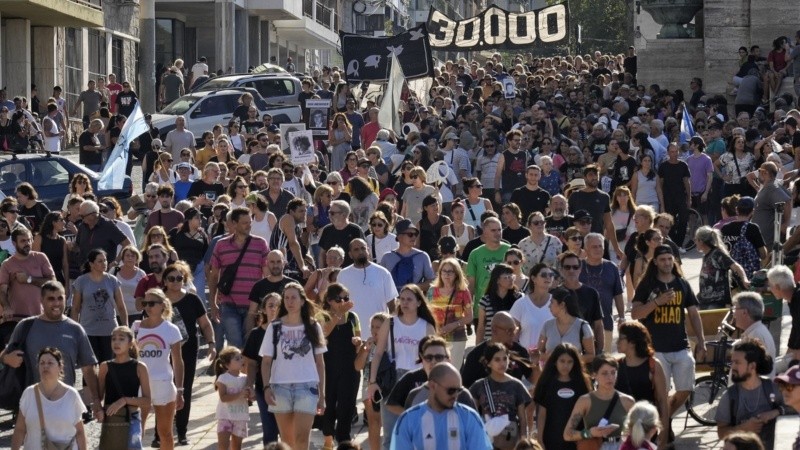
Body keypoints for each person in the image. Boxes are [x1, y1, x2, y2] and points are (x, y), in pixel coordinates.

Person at [631, 244, 706, 419]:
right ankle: (664, 427)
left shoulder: (682, 283)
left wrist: (701, 342)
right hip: (656, 349)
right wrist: (657, 302)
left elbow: (694, 314)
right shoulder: (647, 284)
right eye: (662, 259)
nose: (667, 263)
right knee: (660, 393)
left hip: (680, 346)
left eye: (669, 259)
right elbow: (636, 314)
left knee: (686, 388)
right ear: (655, 262)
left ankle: (664, 419)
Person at [367, 284, 438, 450]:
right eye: (402, 299)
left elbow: (434, 359)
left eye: (409, 299)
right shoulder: (390, 323)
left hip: (418, 380)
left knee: (418, 432)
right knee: (391, 434)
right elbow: (378, 354)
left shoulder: (426, 327)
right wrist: (372, 382)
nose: (404, 303)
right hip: (393, 381)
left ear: (419, 302)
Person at [259, 283, 327, 450]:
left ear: (303, 301)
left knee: (302, 439)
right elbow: (266, 361)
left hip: (307, 385)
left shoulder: (313, 326)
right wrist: (266, 387)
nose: (290, 301)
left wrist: (322, 395)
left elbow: (320, 362)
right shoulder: (274, 327)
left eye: (294, 297)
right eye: (286, 298)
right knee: (287, 441)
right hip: (279, 387)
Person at [162, 262, 217, 445]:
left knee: (183, 387)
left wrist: (211, 343)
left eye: (179, 278)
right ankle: (161, 431)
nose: (176, 282)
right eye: (172, 278)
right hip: (163, 350)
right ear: (165, 281)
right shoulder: (159, 300)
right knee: (163, 388)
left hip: (189, 348)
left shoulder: (193, 299)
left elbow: (205, 324)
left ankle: (182, 431)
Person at [391, 362, 491, 450]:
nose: (455, 395)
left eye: (459, 390)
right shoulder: (408, 419)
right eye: (451, 391)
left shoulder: (469, 417)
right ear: (432, 386)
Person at [209, 207, 270, 349]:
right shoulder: (221, 245)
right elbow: (213, 276)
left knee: (249, 345)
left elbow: (266, 274)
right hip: (229, 303)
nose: (249, 225)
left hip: (253, 305)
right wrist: (212, 303)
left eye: (250, 222)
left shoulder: (260, 244)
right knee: (235, 345)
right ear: (234, 224)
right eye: (244, 223)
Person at [134, 288, 184, 450]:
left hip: (163, 385)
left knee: (165, 433)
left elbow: (178, 361)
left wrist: (180, 389)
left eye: (152, 303)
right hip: (140, 385)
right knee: (135, 432)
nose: (147, 306)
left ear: (163, 305)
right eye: (145, 303)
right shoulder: (135, 327)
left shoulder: (171, 329)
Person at [10, 347, 88, 450]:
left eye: (50, 363)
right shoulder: (29, 393)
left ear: (60, 367)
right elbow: (20, 429)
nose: (45, 366)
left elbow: (80, 432)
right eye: (42, 363)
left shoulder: (71, 395)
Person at [716, 339, 784, 449]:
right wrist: (743, 428)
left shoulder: (773, 388)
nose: (732, 367)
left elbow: (794, 407)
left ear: (752, 366)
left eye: (737, 362)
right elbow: (721, 433)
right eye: (732, 362)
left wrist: (776, 412)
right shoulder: (729, 396)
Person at [615, 321, 670, 447]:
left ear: (633, 342)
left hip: (648, 428)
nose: (617, 342)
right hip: (622, 430)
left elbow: (662, 401)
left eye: (621, 338)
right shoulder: (615, 366)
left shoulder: (653, 365)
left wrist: (664, 431)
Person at [319, 283, 362, 449]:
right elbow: (322, 334)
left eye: (346, 298)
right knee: (329, 406)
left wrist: (358, 342)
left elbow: (358, 336)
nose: (344, 301)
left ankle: (344, 442)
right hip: (328, 368)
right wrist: (338, 314)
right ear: (330, 300)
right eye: (340, 299)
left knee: (347, 406)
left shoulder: (352, 317)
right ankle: (328, 439)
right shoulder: (322, 316)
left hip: (349, 368)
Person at [563, 355, 636, 450]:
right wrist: (590, 433)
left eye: (613, 373)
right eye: (604, 373)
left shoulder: (628, 401)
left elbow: (639, 432)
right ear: (594, 375)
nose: (610, 377)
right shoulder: (585, 401)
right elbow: (567, 434)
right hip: (595, 446)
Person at [469, 342, 532, 449]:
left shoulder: (516, 385)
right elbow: (471, 416)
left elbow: (522, 418)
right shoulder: (479, 386)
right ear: (488, 363)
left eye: (505, 358)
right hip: (487, 442)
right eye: (497, 360)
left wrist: (523, 441)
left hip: (511, 443)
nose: (502, 363)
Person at [97, 326, 151, 450]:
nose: (116, 342)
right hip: (111, 421)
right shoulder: (105, 366)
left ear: (130, 343)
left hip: (131, 420)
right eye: (113, 339)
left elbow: (147, 401)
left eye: (121, 339)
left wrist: (124, 400)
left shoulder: (140, 367)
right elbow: (98, 397)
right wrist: (98, 409)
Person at [71, 248, 127, 364]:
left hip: (109, 330)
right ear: (91, 264)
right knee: (88, 366)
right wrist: (74, 330)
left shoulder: (112, 280)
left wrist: (125, 327)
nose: (104, 263)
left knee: (108, 365)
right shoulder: (81, 281)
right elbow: (75, 308)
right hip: (88, 330)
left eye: (105, 260)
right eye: (100, 261)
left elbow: (121, 307)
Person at [533, 343, 592, 450]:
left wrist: (586, 437)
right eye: (562, 361)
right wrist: (540, 440)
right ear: (555, 361)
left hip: (575, 440)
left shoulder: (582, 383)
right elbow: (541, 414)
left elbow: (587, 412)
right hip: (550, 439)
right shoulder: (546, 382)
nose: (566, 365)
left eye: (570, 362)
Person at [243, 293, 281, 446]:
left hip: (286, 385)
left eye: (278, 305)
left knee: (286, 431)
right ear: (264, 310)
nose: (274, 309)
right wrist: (249, 385)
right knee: (269, 430)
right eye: (270, 305)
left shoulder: (288, 330)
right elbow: (251, 364)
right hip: (263, 387)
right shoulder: (256, 334)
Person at [338, 239, 397, 336]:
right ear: (350, 254)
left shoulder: (383, 272)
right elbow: (339, 304)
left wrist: (392, 326)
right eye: (356, 250)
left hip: (379, 333)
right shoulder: (343, 275)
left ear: (368, 250)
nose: (360, 252)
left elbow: (392, 303)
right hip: (353, 334)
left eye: (363, 248)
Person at [579, 232, 624, 352]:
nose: (598, 249)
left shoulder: (612, 267)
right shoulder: (577, 267)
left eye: (601, 246)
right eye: (594, 246)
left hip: (606, 323)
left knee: (604, 361)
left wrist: (622, 317)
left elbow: (618, 294)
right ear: (586, 249)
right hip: (580, 325)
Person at [0, 228, 56, 320]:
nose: (27, 243)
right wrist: (6, 307)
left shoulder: (40, 257)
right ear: (14, 243)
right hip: (17, 317)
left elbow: (53, 282)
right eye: (23, 241)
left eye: (29, 240)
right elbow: (2, 291)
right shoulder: (7, 264)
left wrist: (29, 279)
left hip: (41, 316)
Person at [427, 258, 473, 368]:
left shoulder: (463, 291)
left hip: (457, 337)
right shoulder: (432, 291)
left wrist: (453, 325)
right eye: (444, 271)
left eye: (450, 271)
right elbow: (427, 314)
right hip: (436, 337)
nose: (447, 274)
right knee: (435, 370)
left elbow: (469, 316)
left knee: (453, 370)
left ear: (456, 274)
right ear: (440, 273)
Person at [466, 216, 511, 325]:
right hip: (482, 309)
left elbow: (518, 276)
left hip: (507, 306)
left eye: (499, 229)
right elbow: (471, 284)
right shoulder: (475, 254)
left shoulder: (510, 250)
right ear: (485, 232)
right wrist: (468, 309)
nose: (497, 233)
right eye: (493, 230)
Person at [695, 226, 749, 309]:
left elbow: (736, 266)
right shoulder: (706, 256)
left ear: (701, 241)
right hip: (704, 301)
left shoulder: (718, 254)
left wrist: (744, 279)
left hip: (717, 302)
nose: (695, 242)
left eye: (696, 239)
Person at [538, 287, 596, 364]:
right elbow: (539, 353)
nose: (549, 306)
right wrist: (549, 357)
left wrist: (569, 359)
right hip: (550, 374)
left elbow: (591, 356)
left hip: (574, 374)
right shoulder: (547, 325)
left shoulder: (583, 327)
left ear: (562, 305)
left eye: (552, 302)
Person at [380, 219, 435, 292]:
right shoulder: (387, 257)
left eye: (415, 234)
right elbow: (380, 281)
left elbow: (431, 281)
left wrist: (412, 288)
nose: (414, 237)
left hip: (414, 300)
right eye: (410, 234)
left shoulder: (423, 256)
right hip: (392, 300)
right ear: (399, 237)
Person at [214, 346, 251, 450]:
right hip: (225, 416)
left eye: (241, 357)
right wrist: (240, 394)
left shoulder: (245, 378)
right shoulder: (223, 378)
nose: (241, 360)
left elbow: (252, 397)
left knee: (237, 447)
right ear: (227, 364)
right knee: (223, 447)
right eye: (237, 358)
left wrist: (251, 395)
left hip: (240, 417)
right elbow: (223, 398)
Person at [477, 263, 522, 343]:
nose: (511, 280)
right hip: (491, 344)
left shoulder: (519, 298)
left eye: (512, 277)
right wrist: (477, 348)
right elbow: (481, 328)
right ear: (497, 280)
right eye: (507, 277)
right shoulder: (486, 300)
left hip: (512, 343)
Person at [733, 292, 777, 368]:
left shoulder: (756, 336)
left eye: (735, 309)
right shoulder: (756, 331)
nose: (734, 314)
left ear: (744, 312)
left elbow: (753, 371)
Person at [767, 265, 800, 363]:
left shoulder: (798, 299)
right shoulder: (793, 298)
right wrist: (789, 351)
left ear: (777, 287)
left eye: (770, 286)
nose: (769, 289)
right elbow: (795, 328)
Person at [318, 200, 365, 267]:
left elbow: (362, 253)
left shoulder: (355, 230)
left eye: (332, 213)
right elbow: (322, 254)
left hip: (351, 272)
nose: (329, 215)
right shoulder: (327, 230)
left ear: (343, 214)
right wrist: (321, 271)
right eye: (329, 212)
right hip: (331, 273)